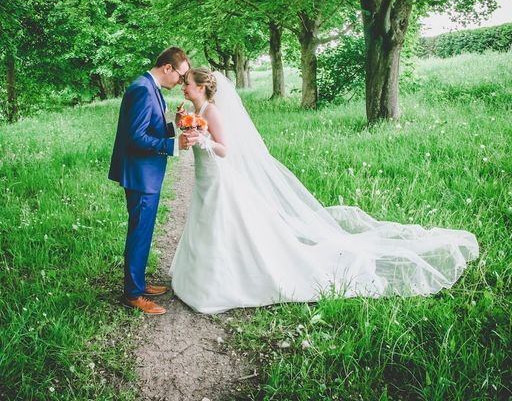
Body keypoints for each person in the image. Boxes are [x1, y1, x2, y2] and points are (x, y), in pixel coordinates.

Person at [169, 68, 479, 315]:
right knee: (207, 222)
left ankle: (223, 282)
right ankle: (204, 278)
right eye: (184, 84)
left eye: (188, 84)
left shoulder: (212, 112)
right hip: (205, 178)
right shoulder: (195, 111)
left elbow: (224, 150)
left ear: (202, 87)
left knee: (221, 223)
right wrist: (184, 127)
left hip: (218, 176)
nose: (184, 88)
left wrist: (203, 140)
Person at [109, 47, 198, 315]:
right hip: (139, 174)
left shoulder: (151, 86)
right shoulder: (142, 88)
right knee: (139, 232)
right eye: (181, 76)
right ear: (168, 68)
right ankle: (132, 294)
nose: (181, 82)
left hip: (146, 172)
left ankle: (138, 283)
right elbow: (134, 137)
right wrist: (173, 145)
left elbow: (150, 126)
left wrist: (174, 124)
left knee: (144, 231)